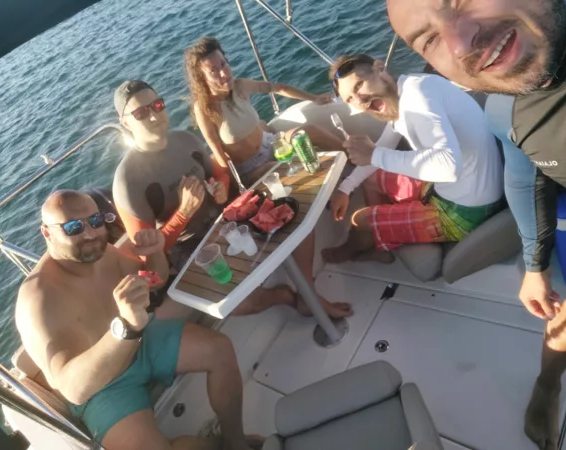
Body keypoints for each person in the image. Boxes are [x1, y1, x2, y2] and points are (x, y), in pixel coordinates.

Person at [385, 1, 566, 448]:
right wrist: (534, 266)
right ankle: (548, 383)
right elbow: (524, 179)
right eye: (429, 39)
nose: (458, 42)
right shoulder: (505, 112)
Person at [15, 190, 258, 450]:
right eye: (73, 227)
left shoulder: (101, 252)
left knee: (219, 350)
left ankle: (237, 443)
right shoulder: (38, 300)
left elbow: (154, 280)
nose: (90, 234)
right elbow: (73, 389)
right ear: (47, 233)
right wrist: (125, 328)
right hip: (102, 387)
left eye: (95, 221)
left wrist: (154, 253)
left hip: (140, 343)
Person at [112, 80, 352, 319]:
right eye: (141, 112)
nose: (154, 116)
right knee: (238, 304)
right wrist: (183, 213)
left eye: (157, 105)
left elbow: (220, 174)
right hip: (191, 246)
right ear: (126, 122)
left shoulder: (185, 140)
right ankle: (284, 296)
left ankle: (309, 294)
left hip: (228, 215)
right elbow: (149, 255)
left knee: (294, 214)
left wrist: (221, 189)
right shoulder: (128, 181)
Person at [321, 54, 503, 263]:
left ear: (380, 69)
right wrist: (346, 188)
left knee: (359, 219)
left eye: (359, 85)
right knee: (371, 179)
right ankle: (382, 242)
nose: (360, 101)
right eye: (350, 99)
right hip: (457, 188)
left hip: (465, 212)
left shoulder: (417, 98)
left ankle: (360, 245)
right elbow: (384, 145)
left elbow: (449, 166)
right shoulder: (408, 90)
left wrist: (374, 155)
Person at [184, 36, 344, 186]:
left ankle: (351, 156)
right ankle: (329, 186)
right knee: (281, 169)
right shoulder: (204, 108)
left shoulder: (240, 86)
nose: (224, 73)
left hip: (272, 144)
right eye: (213, 71)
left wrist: (314, 98)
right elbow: (219, 155)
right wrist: (236, 188)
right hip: (251, 169)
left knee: (309, 131)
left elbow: (278, 88)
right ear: (202, 79)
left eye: (223, 64)